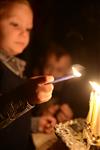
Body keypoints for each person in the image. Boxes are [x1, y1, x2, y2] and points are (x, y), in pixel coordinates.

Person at [0, 0, 54, 149]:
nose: (24, 34)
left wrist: (34, 124)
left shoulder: (15, 67)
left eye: (28, 29)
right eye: (15, 24)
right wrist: (24, 97)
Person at [31, 43, 73, 134]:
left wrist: (69, 121)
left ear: (68, 73)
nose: (52, 73)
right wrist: (40, 116)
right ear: (43, 64)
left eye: (59, 70)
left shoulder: (71, 94)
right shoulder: (32, 86)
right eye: (49, 66)